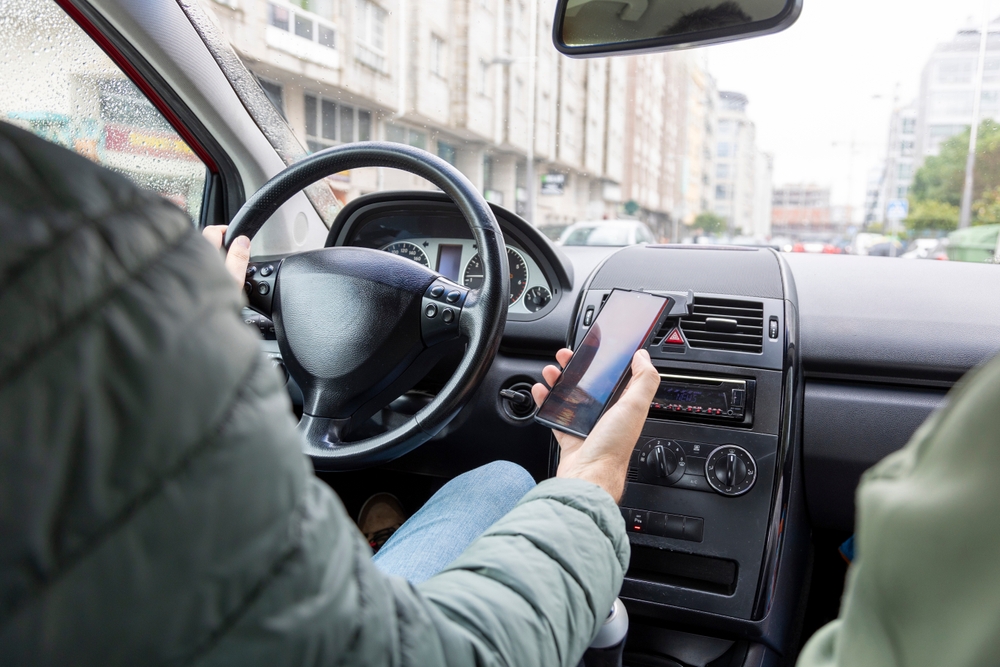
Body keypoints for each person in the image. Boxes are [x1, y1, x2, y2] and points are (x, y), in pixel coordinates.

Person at [0, 120, 659, 666]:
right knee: (504, 482)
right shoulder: (83, 252)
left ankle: (365, 549)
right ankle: (370, 554)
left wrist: (209, 332)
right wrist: (591, 477)